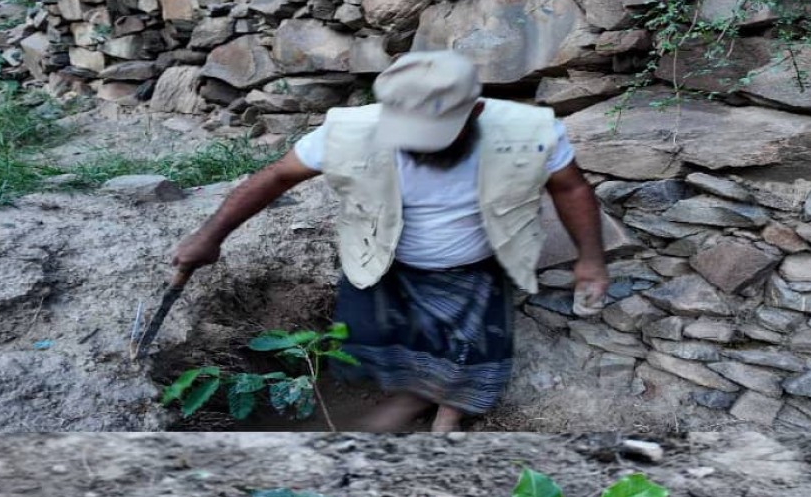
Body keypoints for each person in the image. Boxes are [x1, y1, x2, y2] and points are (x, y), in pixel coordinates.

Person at [172, 50, 609, 432]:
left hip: (477, 266)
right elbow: (276, 176)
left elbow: (570, 189)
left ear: (474, 112)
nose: (418, 149)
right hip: (381, 259)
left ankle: (451, 409)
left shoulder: (528, 131)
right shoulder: (349, 131)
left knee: (471, 345)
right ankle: (415, 394)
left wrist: (591, 259)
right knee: (378, 337)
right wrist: (210, 237)